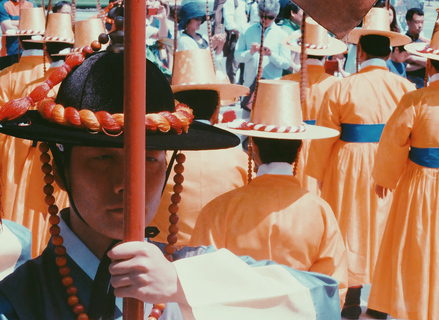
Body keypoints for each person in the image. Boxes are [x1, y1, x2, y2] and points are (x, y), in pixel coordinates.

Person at [0, 27, 342, 320]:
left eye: (149, 160)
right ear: (61, 170)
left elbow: (322, 300)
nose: (126, 185)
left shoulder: (192, 272)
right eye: (103, 158)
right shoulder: (16, 299)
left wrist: (183, 284)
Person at [189, 79, 348, 305]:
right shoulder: (320, 211)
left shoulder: (220, 208)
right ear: (300, 147)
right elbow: (332, 285)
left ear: (252, 147)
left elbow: (201, 273)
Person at [305, 7, 415, 319]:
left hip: (348, 166)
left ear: (360, 50)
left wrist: (316, 179)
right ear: (391, 50)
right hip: (393, 166)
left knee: (348, 229)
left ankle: (351, 299)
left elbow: (324, 139)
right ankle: (380, 303)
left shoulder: (341, 86)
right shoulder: (407, 89)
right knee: (386, 231)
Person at [368, 19, 439, 320]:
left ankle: (414, 307)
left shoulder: (415, 100)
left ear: (428, 64)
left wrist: (385, 178)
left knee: (415, 246)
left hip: (418, 182)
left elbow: (393, 141)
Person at [150, 48, 249, 246]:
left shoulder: (158, 153)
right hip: (220, 253)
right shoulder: (241, 159)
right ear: (215, 112)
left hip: (163, 250)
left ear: (176, 107)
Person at [0, 12, 73, 259]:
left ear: (19, 42)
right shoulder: (60, 83)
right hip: (55, 153)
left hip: (15, 148)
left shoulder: (8, 76)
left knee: (17, 199)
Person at [281, 18, 346, 195]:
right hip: (322, 149)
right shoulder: (335, 84)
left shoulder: (285, 82)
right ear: (325, 55)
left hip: (289, 149)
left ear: (301, 53)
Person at [234, 0, 290, 90]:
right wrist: (250, 52)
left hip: (272, 88)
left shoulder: (282, 35)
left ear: (275, 16)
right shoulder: (247, 31)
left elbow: (286, 64)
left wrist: (271, 55)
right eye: (262, 16)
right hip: (249, 86)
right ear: (259, 14)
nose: (265, 20)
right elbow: (237, 57)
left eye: (270, 17)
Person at [0, 0, 36, 70]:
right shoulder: (3, 5)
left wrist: (12, 22)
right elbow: (7, 28)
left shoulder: (32, 4)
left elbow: (36, 24)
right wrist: (27, 21)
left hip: (29, 51)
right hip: (9, 52)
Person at [405, 7, 428, 89]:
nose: (420, 26)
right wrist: (424, 64)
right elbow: (404, 67)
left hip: (422, 86)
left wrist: (412, 58)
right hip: (407, 85)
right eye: (417, 22)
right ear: (408, 22)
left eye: (422, 22)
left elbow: (430, 63)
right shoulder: (402, 42)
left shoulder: (424, 43)